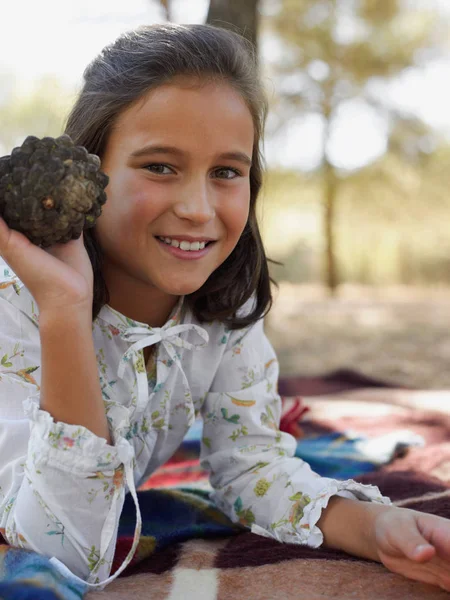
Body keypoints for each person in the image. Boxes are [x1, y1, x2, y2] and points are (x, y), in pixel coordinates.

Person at [0, 23, 449, 593]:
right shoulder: (18, 304)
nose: (196, 207)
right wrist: (64, 311)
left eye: (226, 172)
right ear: (88, 173)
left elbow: (250, 466)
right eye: (160, 166)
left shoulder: (222, 313)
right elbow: (61, 551)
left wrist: (377, 525)